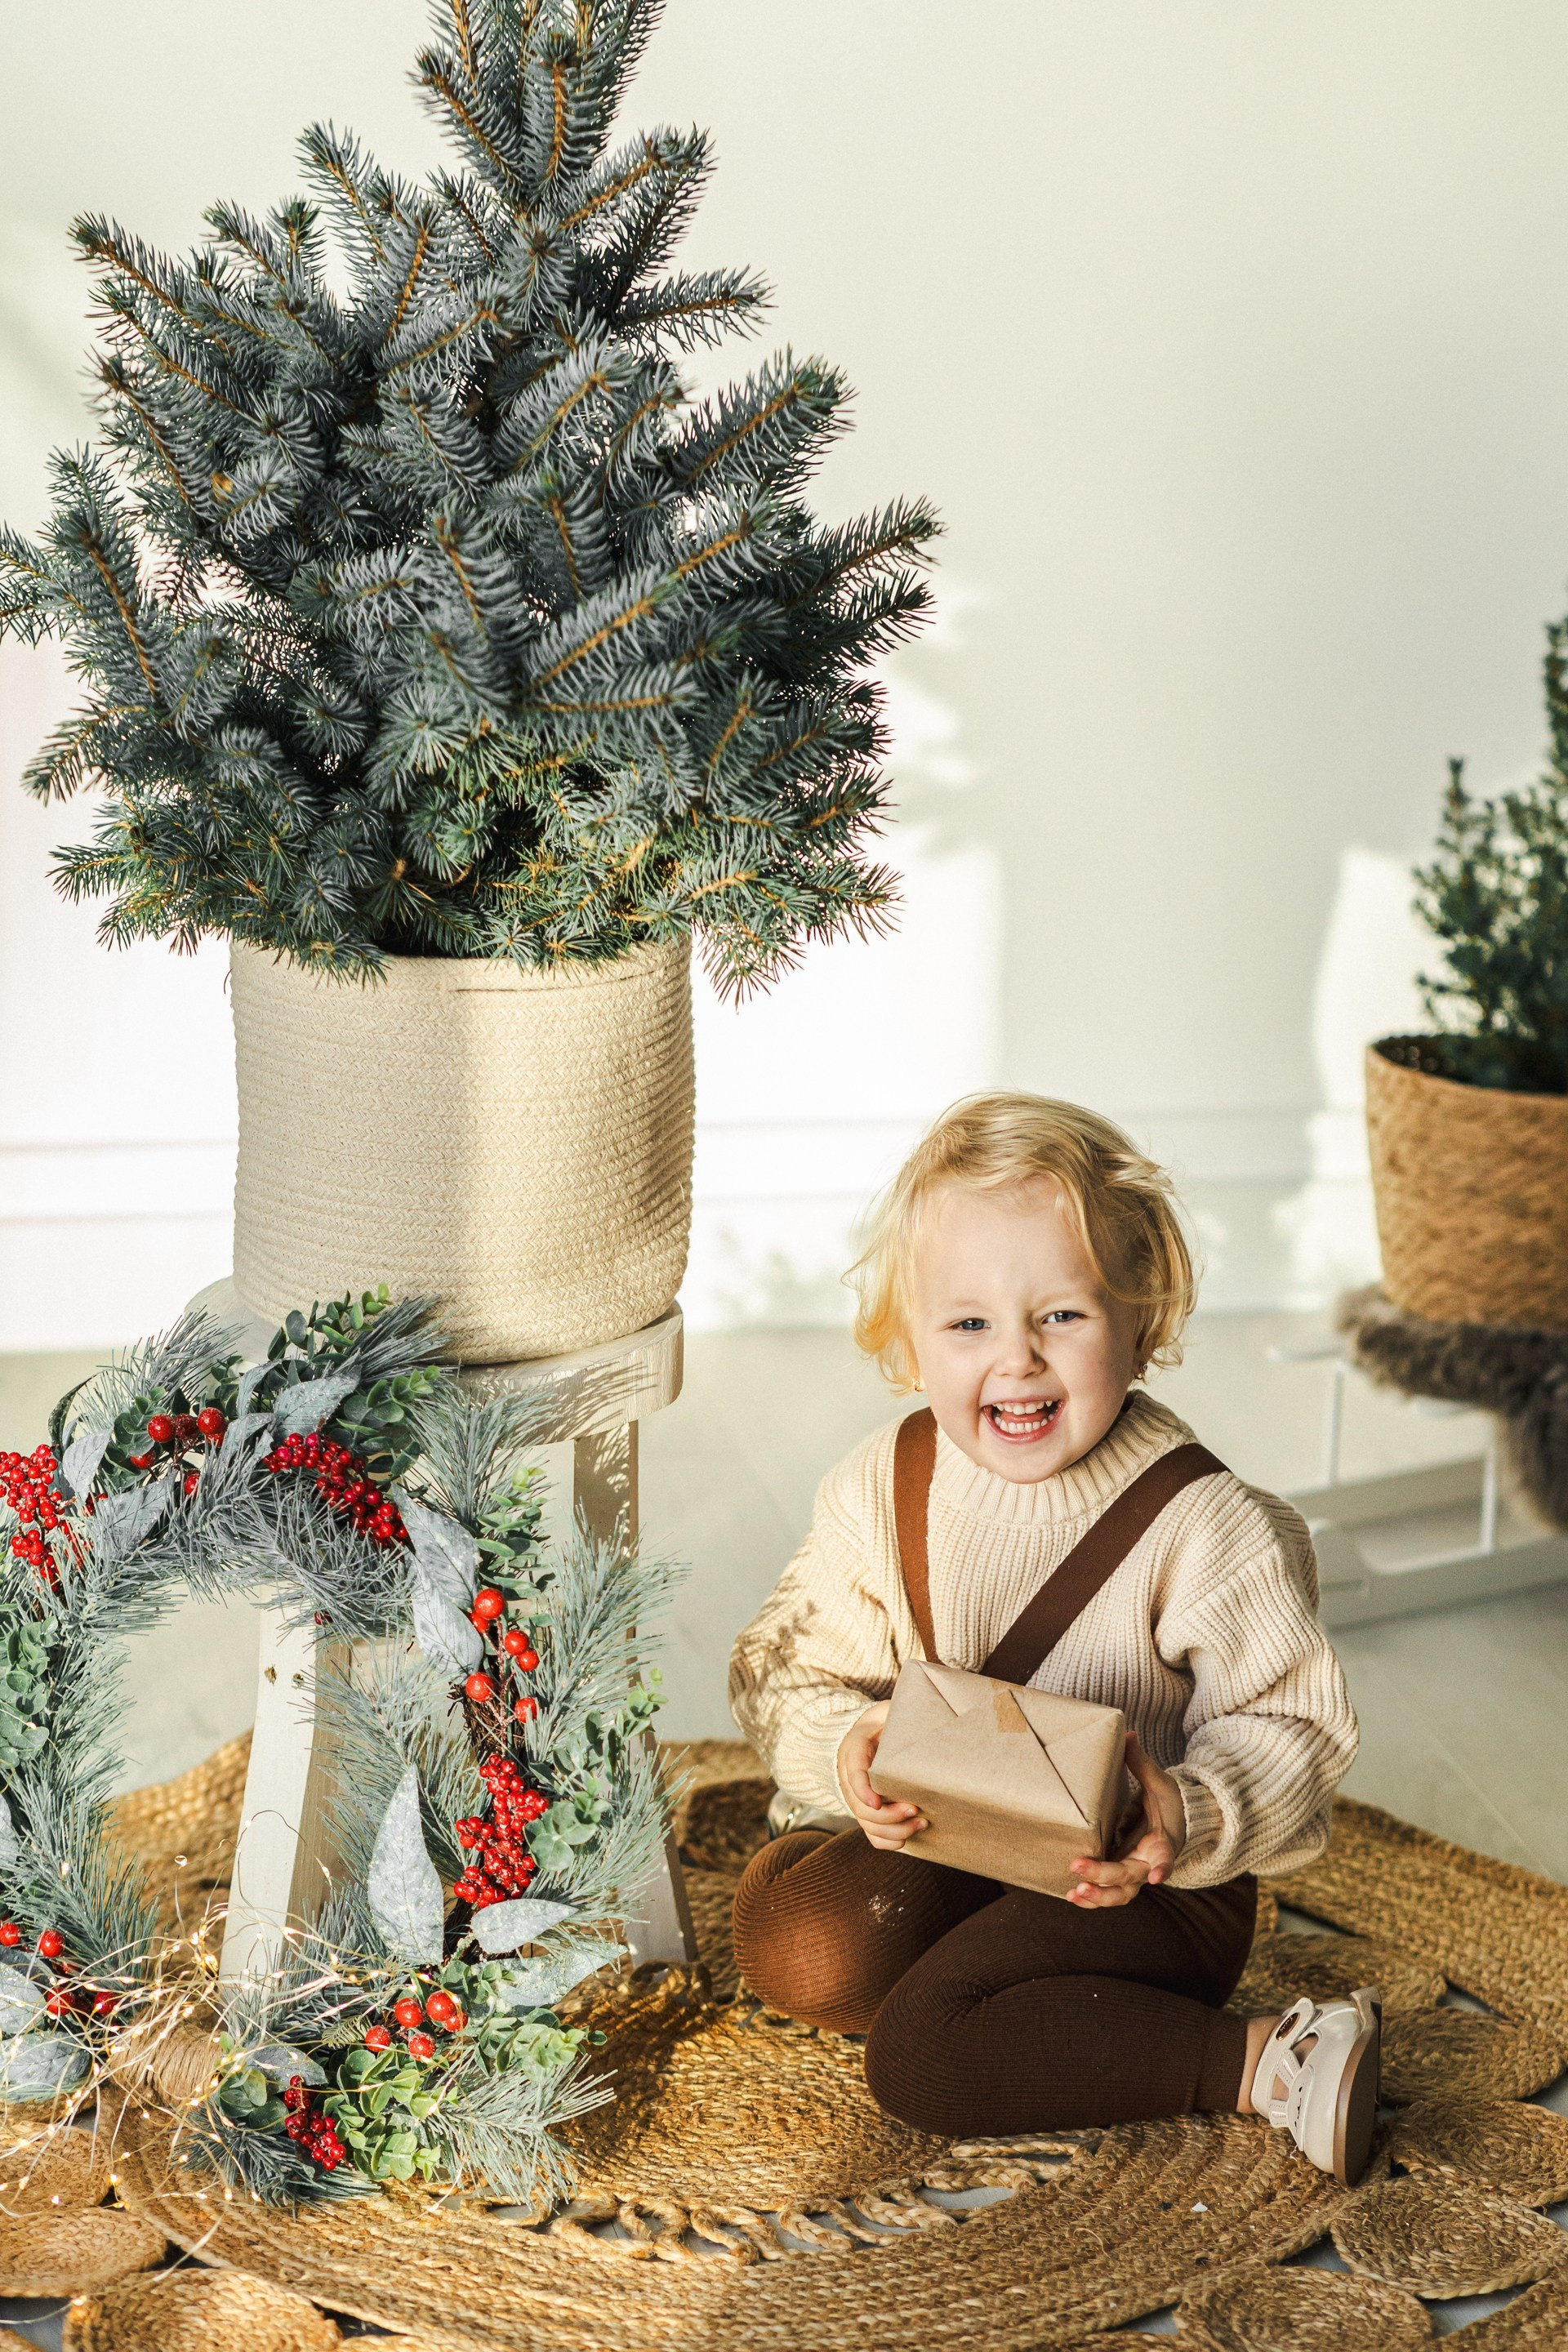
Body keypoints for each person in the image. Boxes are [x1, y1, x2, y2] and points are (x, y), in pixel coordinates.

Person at [728, 1094, 1378, 2185]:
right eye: (968, 1325)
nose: (1018, 1360)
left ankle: (1269, 2056)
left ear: (1141, 1322)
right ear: (908, 1338)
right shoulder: (883, 1486)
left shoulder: (1207, 1525)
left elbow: (1295, 1730)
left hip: (1142, 1887)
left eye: (1062, 1316)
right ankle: (1011, 1990)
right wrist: (847, 1748)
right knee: (795, 1940)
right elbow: (782, 1666)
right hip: (959, 1839)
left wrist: (1181, 1812)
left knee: (923, 2056)